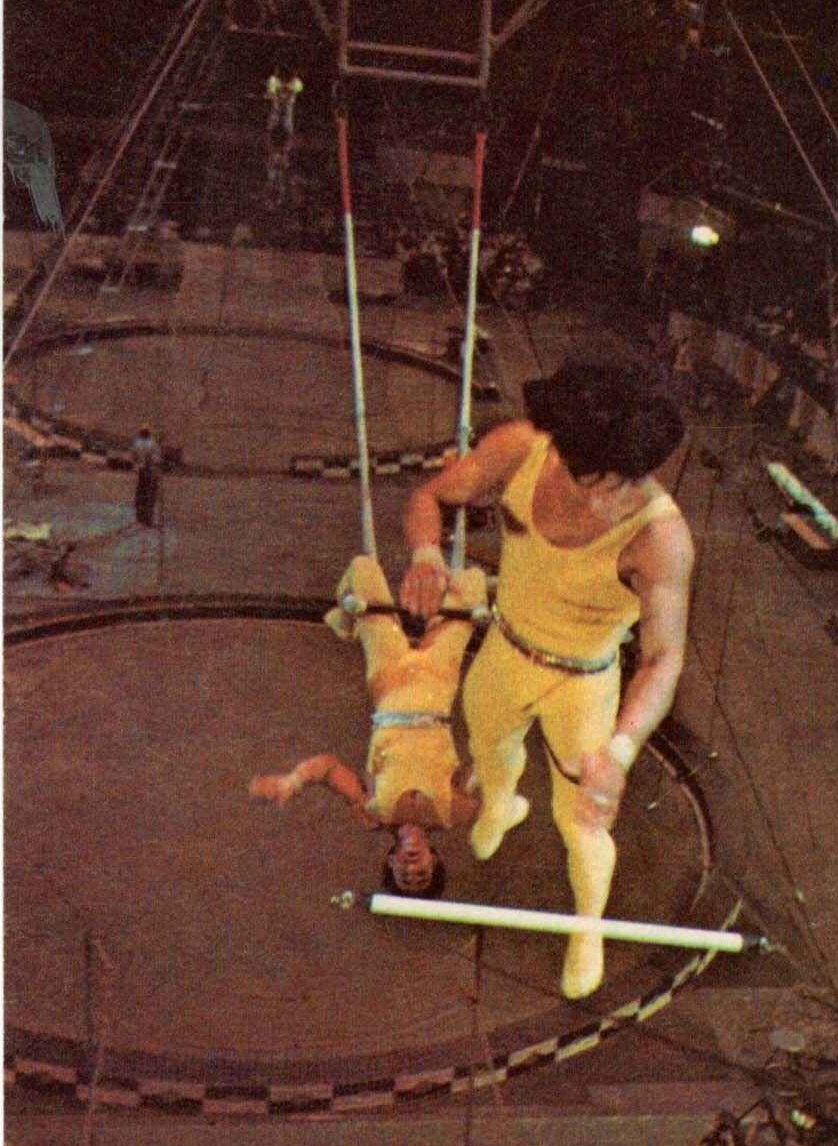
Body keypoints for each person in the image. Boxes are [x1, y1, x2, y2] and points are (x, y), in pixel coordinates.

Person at [401, 345, 694, 1000]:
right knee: (487, 746)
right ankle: (502, 806)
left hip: (582, 681)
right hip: (505, 648)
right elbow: (431, 495)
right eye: (587, 471)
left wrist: (619, 752)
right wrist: (425, 553)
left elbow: (663, 658)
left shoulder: (660, 538)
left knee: (583, 820)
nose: (598, 494)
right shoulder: (521, 448)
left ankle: (587, 925)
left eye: (616, 480)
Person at [249, 555, 486, 896]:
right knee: (473, 581)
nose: (412, 868)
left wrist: (292, 781)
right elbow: (488, 765)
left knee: (362, 570)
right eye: (422, 875)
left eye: (405, 876)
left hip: (389, 685)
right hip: (437, 683)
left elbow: (328, 770)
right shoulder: (454, 814)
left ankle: (348, 621)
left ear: (391, 861)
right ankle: (397, 609)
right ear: (434, 859)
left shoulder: (372, 813)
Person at [131, 425, 163, 528]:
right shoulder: (153, 444)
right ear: (149, 433)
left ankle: (140, 517)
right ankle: (148, 519)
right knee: (150, 495)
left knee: (140, 494)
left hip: (141, 471)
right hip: (150, 472)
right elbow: (156, 460)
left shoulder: (136, 443)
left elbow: (134, 456)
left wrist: (137, 465)